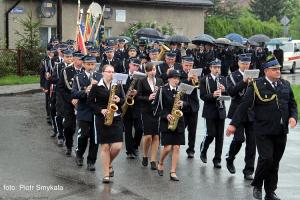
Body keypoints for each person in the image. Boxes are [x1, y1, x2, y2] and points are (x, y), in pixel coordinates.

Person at [226, 57, 298, 200]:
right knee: (266, 159)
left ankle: (270, 191)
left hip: (281, 130)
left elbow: (292, 104)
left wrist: (293, 117)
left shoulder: (285, 84)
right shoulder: (257, 85)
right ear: (266, 71)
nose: (278, 71)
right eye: (274, 69)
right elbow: (243, 105)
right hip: (263, 130)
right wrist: (233, 124)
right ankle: (258, 185)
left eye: (279, 69)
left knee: (275, 162)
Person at [87, 65, 125, 184]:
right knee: (104, 147)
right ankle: (106, 174)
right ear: (103, 73)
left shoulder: (117, 85)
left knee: (117, 146)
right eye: (109, 72)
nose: (111, 74)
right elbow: (90, 103)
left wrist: (119, 100)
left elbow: (123, 100)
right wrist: (101, 110)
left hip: (116, 117)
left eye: (113, 72)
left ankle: (108, 163)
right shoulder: (96, 87)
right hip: (101, 118)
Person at [225, 54, 256, 180]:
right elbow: (231, 92)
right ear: (238, 63)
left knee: (252, 143)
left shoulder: (255, 75)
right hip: (238, 112)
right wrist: (243, 82)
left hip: (252, 113)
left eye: (247, 63)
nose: (245, 65)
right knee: (239, 139)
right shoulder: (232, 76)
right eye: (243, 63)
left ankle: (248, 170)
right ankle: (230, 157)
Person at [71, 55, 102, 171]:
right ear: (83, 65)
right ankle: (79, 154)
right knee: (83, 135)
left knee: (95, 138)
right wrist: (86, 90)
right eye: (88, 64)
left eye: (92, 64)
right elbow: (74, 94)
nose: (90, 66)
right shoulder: (78, 77)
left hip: (97, 111)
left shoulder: (100, 76)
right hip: (84, 110)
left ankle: (91, 161)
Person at [156, 70, 187, 181]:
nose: (176, 80)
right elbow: (157, 107)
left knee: (177, 147)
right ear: (169, 79)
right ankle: (161, 162)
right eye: (174, 78)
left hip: (179, 121)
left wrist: (183, 103)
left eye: (178, 78)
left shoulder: (182, 90)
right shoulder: (162, 90)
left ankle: (173, 171)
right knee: (168, 148)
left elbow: (189, 103)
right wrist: (166, 115)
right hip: (166, 122)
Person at [199, 59, 227, 168]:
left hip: (221, 111)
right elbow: (202, 96)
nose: (217, 70)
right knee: (211, 134)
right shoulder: (204, 79)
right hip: (210, 111)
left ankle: (217, 159)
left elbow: (229, 93)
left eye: (219, 68)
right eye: (215, 67)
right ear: (210, 68)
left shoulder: (223, 79)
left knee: (220, 137)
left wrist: (225, 90)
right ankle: (204, 149)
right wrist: (212, 95)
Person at [137, 62, 163, 169]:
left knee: (156, 135)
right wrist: (148, 97)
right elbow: (138, 96)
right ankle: (144, 155)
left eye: (154, 69)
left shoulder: (160, 81)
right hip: (146, 110)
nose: (153, 72)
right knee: (148, 136)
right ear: (147, 71)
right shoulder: (142, 81)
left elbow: (163, 94)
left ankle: (153, 160)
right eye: (151, 70)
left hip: (157, 110)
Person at [58, 49, 84, 156]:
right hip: (69, 103)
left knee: (84, 129)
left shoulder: (85, 71)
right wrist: (71, 100)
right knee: (68, 126)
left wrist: (79, 98)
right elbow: (61, 88)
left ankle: (80, 151)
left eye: (82, 59)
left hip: (83, 102)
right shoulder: (66, 70)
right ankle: (69, 145)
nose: (80, 61)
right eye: (78, 59)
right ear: (73, 59)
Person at [179, 56, 200, 158]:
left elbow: (199, 87)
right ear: (182, 64)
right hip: (182, 105)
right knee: (180, 128)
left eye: (190, 65)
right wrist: (187, 80)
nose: (188, 67)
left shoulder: (196, 75)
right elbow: (181, 89)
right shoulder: (178, 74)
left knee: (193, 130)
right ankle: (176, 145)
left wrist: (196, 80)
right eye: (186, 65)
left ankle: (191, 149)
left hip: (193, 105)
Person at [123, 58, 144, 159]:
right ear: (129, 65)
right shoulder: (123, 75)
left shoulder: (141, 77)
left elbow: (144, 90)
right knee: (127, 130)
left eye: (137, 66)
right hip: (125, 106)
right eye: (133, 65)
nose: (135, 68)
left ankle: (135, 146)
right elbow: (119, 89)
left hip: (137, 106)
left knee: (139, 129)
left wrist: (137, 92)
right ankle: (129, 151)